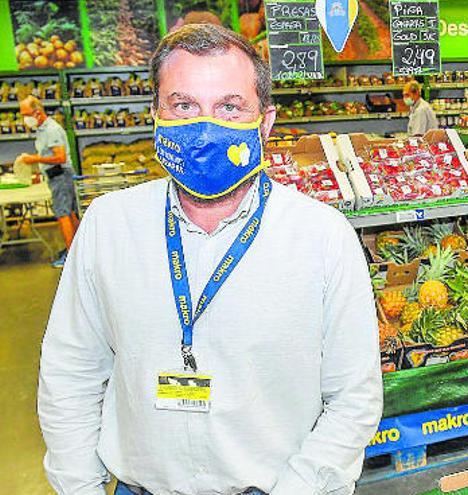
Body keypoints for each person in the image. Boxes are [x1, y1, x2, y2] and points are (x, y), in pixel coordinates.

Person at [38, 24, 383, 495]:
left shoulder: (321, 237)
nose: (205, 127)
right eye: (184, 106)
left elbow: (354, 397)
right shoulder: (108, 226)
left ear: (265, 123)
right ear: (155, 117)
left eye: (229, 106)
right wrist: (79, 487)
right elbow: (69, 371)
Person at [18, 95, 78, 267]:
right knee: (70, 213)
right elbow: (48, 155)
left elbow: (59, 156)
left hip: (61, 176)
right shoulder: (42, 129)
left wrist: (33, 159)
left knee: (63, 214)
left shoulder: (51, 129)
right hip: (56, 175)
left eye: (26, 114)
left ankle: (71, 259)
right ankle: (74, 250)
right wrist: (39, 169)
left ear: (37, 113)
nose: (24, 118)